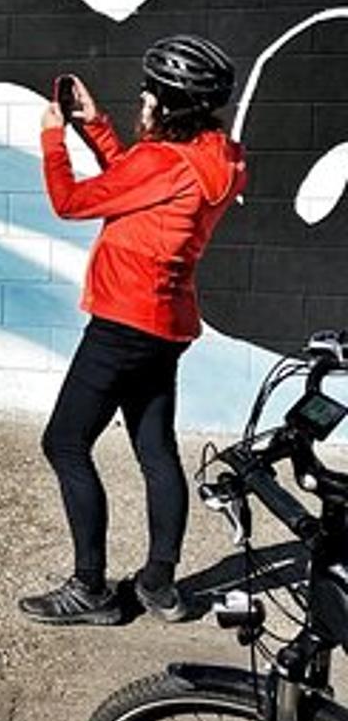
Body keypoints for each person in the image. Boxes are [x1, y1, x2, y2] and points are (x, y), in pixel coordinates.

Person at [18, 34, 249, 626]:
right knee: (154, 449)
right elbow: (140, 182)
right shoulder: (219, 157)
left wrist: (53, 136)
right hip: (166, 324)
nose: (142, 99)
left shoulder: (161, 162)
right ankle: (159, 586)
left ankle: (90, 589)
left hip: (122, 322)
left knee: (64, 443)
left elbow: (71, 201)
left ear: (166, 105)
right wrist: (95, 129)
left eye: (149, 92)